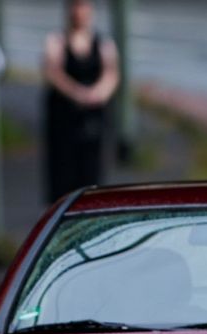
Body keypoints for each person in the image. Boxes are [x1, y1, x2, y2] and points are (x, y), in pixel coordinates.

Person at [43, 0, 120, 203]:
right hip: (64, 119)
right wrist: (77, 93)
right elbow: (52, 71)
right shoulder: (56, 41)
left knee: (91, 174)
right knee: (63, 173)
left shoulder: (103, 43)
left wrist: (97, 94)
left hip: (92, 119)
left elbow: (111, 74)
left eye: (83, 6)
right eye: (75, 6)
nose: (78, 11)